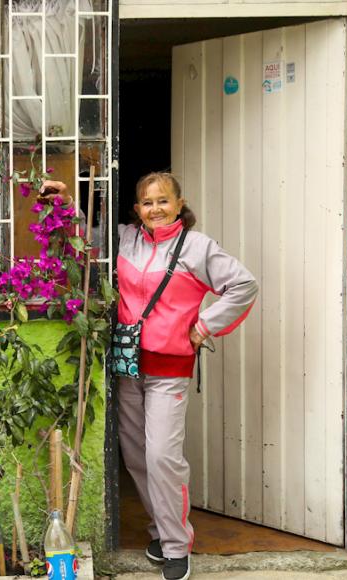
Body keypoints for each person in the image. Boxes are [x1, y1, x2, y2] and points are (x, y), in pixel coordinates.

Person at [40, 172, 258, 580]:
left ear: (179, 204)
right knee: (137, 455)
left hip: (169, 369)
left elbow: (243, 284)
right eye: (147, 202)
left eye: (163, 201)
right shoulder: (127, 239)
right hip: (127, 365)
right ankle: (161, 530)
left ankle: (177, 546)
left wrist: (204, 326)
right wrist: (67, 201)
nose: (155, 208)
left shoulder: (197, 247)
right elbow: (87, 238)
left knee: (163, 458)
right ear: (136, 209)